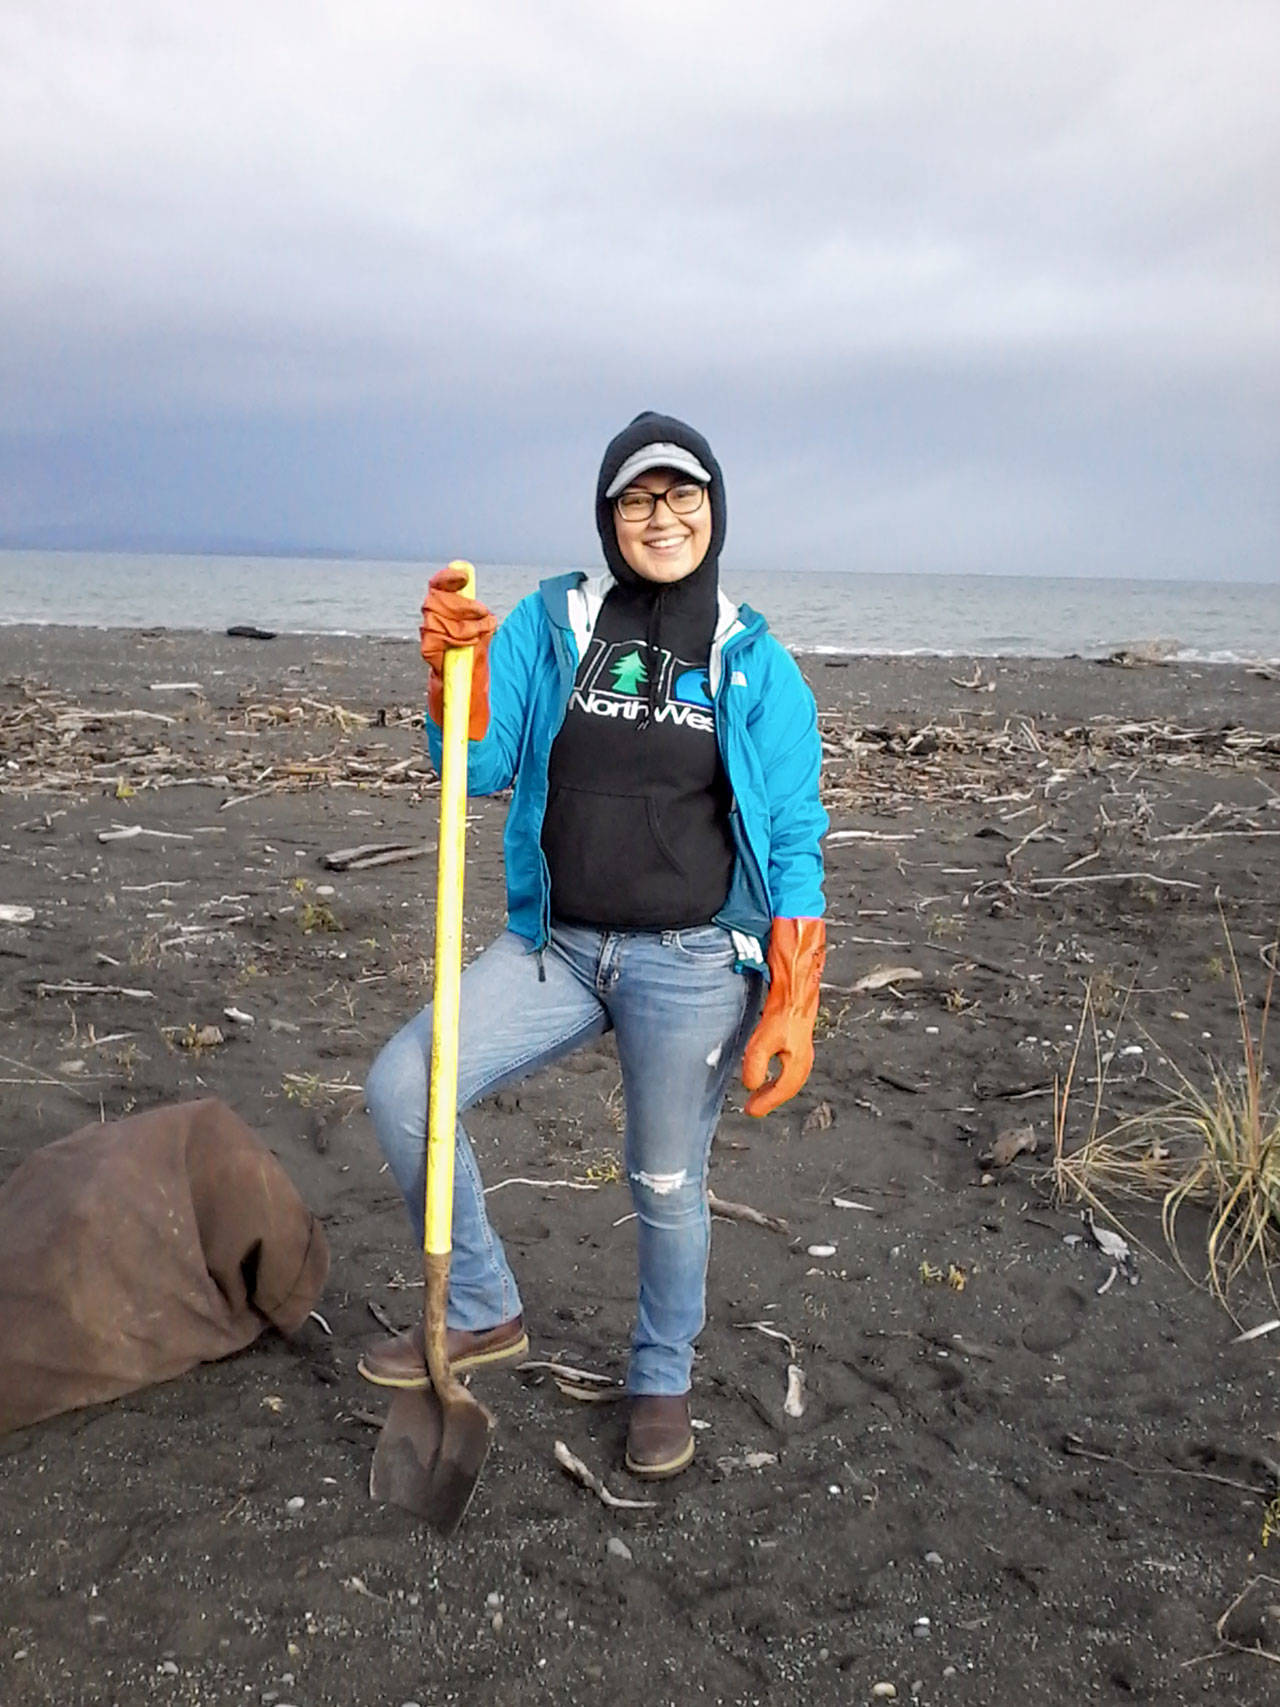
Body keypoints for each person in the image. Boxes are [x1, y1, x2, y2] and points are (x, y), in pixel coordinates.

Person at [361, 411, 827, 1478]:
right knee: (404, 1086)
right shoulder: (552, 621)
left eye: (681, 497)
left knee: (664, 1182)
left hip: (694, 963)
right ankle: (480, 1309)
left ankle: (661, 1377)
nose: (661, 518)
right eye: (637, 499)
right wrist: (449, 678)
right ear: (608, 516)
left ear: (712, 509)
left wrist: (793, 994)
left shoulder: (754, 661)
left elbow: (794, 837)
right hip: (556, 948)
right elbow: (473, 766)